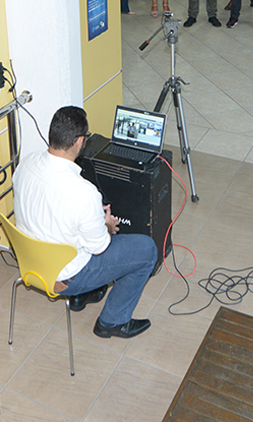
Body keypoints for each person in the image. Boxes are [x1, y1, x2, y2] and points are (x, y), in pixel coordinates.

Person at [13, 106, 157, 339]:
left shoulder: (25, 164)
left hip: (31, 264)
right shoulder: (84, 193)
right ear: (80, 141)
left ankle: (83, 296)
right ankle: (112, 321)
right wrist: (107, 226)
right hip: (65, 277)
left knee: (77, 233)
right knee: (146, 250)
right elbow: (99, 247)